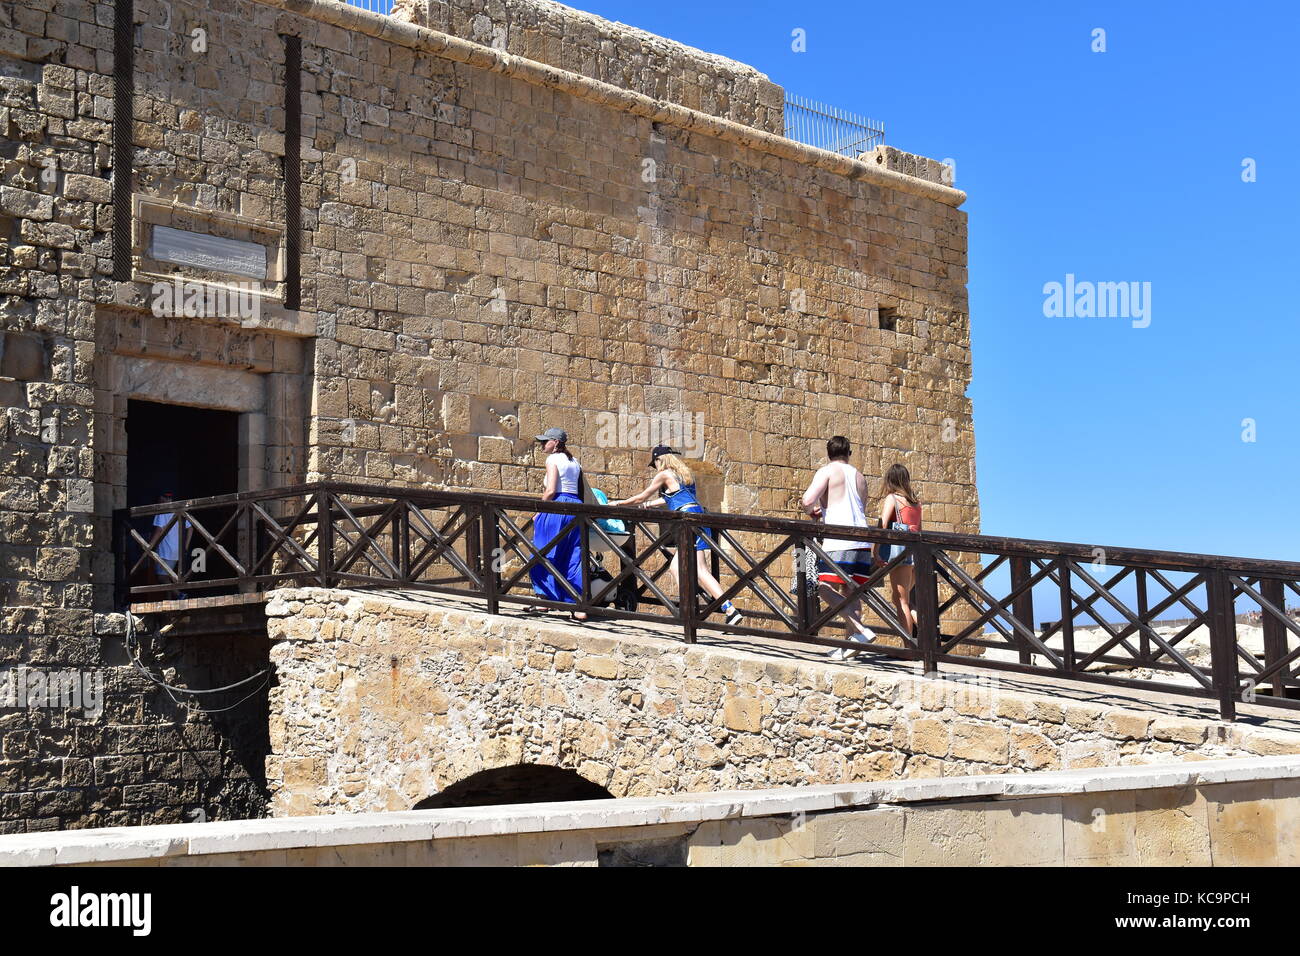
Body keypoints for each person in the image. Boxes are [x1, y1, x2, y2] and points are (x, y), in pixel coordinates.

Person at [608, 445, 742, 626]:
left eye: (654, 464)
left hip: (686, 523)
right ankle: (708, 608)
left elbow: (641, 496)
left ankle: (704, 609)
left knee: (698, 571)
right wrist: (650, 505)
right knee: (681, 568)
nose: (655, 468)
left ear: (658, 461)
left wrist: (619, 504)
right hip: (698, 518)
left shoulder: (664, 474)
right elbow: (672, 498)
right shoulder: (686, 475)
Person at [800, 436, 875, 659]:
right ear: (848, 453)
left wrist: (813, 512)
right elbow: (859, 505)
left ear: (829, 453)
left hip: (839, 539)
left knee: (823, 587)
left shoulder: (827, 471)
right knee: (853, 593)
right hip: (862, 539)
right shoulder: (859, 476)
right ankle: (851, 647)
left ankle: (860, 630)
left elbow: (806, 501)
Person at [530, 428, 587, 621]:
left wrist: (538, 511)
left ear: (555, 442)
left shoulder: (552, 459)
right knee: (572, 554)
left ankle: (543, 599)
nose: (542, 445)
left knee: (542, 552)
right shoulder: (574, 461)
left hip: (556, 507)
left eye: (545, 441)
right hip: (575, 508)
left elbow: (551, 490)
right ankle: (577, 605)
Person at [873, 463, 923, 634]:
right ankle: (930, 638)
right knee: (900, 599)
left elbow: (884, 524)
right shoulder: (917, 503)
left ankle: (908, 648)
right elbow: (919, 529)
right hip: (916, 554)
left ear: (890, 480)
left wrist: (875, 549)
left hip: (901, 554)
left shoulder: (892, 499)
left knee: (902, 601)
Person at [146, 491, 191, 597]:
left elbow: (158, 530)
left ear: (161, 499)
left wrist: (149, 547)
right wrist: (186, 546)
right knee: (169, 575)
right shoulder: (177, 511)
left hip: (166, 551)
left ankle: (180, 595)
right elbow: (191, 528)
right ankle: (170, 599)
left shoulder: (161, 512)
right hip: (177, 550)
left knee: (162, 577)